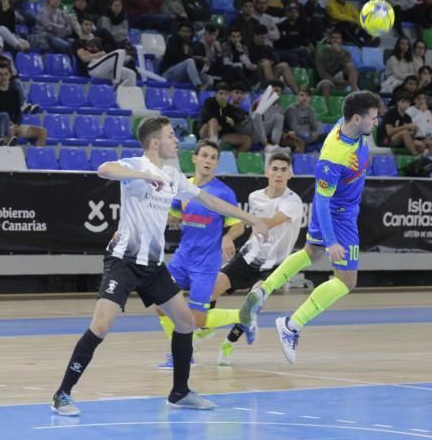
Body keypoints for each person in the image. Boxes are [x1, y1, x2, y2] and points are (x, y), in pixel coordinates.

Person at [50, 115, 267, 416]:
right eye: (170, 136)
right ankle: (62, 394)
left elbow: (211, 203)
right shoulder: (138, 166)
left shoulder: (174, 176)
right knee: (101, 326)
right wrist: (140, 177)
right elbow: (104, 169)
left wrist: (252, 219)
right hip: (124, 262)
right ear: (155, 142)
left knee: (186, 322)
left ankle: (179, 392)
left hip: (152, 266)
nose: (176, 141)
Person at [237, 92, 379, 363]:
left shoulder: (349, 125)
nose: (376, 122)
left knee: (311, 253)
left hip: (341, 209)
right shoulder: (334, 157)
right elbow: (322, 204)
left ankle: (264, 290)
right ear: (358, 119)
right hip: (339, 216)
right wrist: (333, 241)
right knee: (347, 281)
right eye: (372, 117)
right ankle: (292, 325)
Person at [155, 140, 265, 368]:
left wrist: (227, 237)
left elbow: (238, 225)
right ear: (194, 158)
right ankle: (183, 355)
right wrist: (153, 213)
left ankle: (242, 316)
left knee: (198, 320)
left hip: (205, 264)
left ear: (216, 163)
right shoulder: (184, 187)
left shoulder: (223, 193)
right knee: (160, 303)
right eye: (204, 155)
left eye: (213, 157)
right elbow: (175, 217)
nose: (208, 160)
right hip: (182, 258)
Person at [216, 153, 303, 365]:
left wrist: (248, 220)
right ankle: (201, 331)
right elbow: (245, 224)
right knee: (209, 291)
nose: (279, 173)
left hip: (274, 266)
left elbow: (270, 222)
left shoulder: (293, 201)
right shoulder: (255, 196)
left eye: (284, 169)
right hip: (247, 257)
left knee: (253, 302)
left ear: (290, 174)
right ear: (267, 172)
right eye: (275, 169)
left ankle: (229, 343)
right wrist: (228, 237)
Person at [0, 62, 48, 146]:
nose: (3, 77)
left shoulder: (14, 92)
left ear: (10, 75)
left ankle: (37, 158)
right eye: (0, 74)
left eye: (6, 74)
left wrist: (16, 125)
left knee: (42, 132)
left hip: (13, 125)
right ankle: (3, 148)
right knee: (9, 129)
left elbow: (18, 113)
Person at [74, 18, 136, 88]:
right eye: (86, 24)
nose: (88, 27)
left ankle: (122, 96)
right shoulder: (77, 42)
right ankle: (116, 83)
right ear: (81, 26)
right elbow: (85, 58)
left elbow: (106, 58)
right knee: (119, 52)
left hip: (103, 68)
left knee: (131, 74)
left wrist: (127, 57)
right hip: (91, 69)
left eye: (91, 25)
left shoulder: (96, 41)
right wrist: (100, 54)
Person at [199, 84, 253, 152]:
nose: (223, 96)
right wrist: (225, 119)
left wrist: (224, 125)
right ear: (216, 94)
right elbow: (207, 116)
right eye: (221, 93)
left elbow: (234, 121)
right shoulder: (209, 102)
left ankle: (233, 157)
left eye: (226, 94)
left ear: (228, 96)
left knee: (247, 140)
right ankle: (214, 146)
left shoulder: (229, 107)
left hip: (221, 135)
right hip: (206, 131)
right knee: (213, 121)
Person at [249, 24, 301, 94]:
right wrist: (262, 62)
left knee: (283, 65)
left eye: (265, 38)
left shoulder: (266, 48)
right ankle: (273, 93)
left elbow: (276, 59)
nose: (263, 40)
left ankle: (297, 93)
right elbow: (250, 65)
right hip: (256, 77)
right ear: (255, 36)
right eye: (261, 38)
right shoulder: (249, 48)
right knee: (265, 63)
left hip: (269, 76)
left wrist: (272, 61)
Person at [315, 30, 358, 98]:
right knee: (326, 86)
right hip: (326, 78)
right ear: (330, 39)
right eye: (333, 38)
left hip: (340, 76)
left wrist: (340, 54)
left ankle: (354, 95)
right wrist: (336, 81)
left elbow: (348, 69)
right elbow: (321, 73)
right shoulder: (322, 53)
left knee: (351, 66)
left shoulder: (345, 53)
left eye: (338, 38)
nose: (335, 40)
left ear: (341, 40)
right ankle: (327, 108)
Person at [161, 21, 205, 87]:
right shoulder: (173, 40)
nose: (185, 34)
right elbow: (179, 57)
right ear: (178, 32)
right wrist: (189, 55)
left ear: (191, 33)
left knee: (206, 77)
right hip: (168, 73)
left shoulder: (190, 44)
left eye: (187, 32)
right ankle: (199, 86)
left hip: (181, 73)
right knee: (189, 61)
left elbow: (188, 58)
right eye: (183, 31)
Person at [406, 91, 432, 156]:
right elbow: (412, 125)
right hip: (413, 137)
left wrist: (430, 137)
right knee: (422, 145)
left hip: (424, 137)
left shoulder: (428, 112)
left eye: (423, 98)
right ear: (414, 100)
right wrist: (421, 112)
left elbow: (429, 127)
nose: (421, 100)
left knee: (431, 143)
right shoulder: (409, 111)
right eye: (419, 98)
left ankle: (427, 161)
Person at [276, 3, 313, 69]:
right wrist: (301, 45)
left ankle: (310, 72)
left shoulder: (301, 24)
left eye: (296, 12)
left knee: (310, 52)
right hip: (285, 49)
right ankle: (310, 70)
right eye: (291, 12)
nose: (293, 14)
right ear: (286, 13)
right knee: (303, 51)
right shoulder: (282, 25)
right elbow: (285, 41)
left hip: (297, 48)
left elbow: (304, 37)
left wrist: (308, 44)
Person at [285, 86, 320, 152]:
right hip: (295, 136)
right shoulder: (291, 109)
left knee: (327, 137)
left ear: (310, 98)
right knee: (300, 139)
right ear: (297, 97)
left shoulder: (311, 110)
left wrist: (314, 133)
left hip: (308, 137)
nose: (304, 98)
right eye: (302, 95)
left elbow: (314, 127)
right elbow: (293, 128)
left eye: (307, 96)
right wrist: (308, 134)